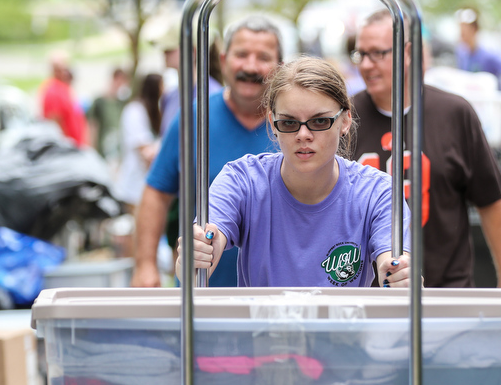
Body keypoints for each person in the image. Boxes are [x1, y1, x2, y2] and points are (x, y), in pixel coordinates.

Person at [176, 56, 413, 287]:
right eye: (289, 123)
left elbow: (395, 265)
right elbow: (199, 255)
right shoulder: (241, 180)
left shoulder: (379, 191)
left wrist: (400, 275)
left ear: (345, 121)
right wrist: (197, 252)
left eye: (319, 122)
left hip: (344, 327)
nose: (303, 135)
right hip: (262, 327)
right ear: (272, 123)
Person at [351, 9, 501, 288]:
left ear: (408, 53)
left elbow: (490, 202)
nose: (366, 65)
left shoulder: (454, 113)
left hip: (446, 292)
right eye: (360, 54)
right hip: (368, 298)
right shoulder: (345, 117)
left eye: (378, 53)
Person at [131, 15, 283, 288]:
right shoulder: (192, 118)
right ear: (223, 60)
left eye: (263, 57)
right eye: (241, 54)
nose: (250, 66)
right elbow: (156, 192)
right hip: (202, 295)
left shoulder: (296, 125)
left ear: (280, 66)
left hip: (280, 295)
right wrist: (145, 265)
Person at [113, 73, 163, 213]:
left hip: (145, 185)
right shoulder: (135, 111)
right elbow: (145, 152)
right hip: (135, 186)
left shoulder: (153, 111)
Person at [455, 7, 501, 94]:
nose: (460, 32)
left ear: (474, 29)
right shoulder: (462, 53)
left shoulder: (489, 54)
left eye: (463, 29)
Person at [39, 51, 87, 147]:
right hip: (66, 149)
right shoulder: (53, 91)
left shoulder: (64, 87)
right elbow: (54, 125)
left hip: (75, 146)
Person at [87, 67, 130, 163]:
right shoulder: (99, 102)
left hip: (117, 153)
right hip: (103, 152)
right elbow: (92, 128)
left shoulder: (121, 103)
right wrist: (92, 151)